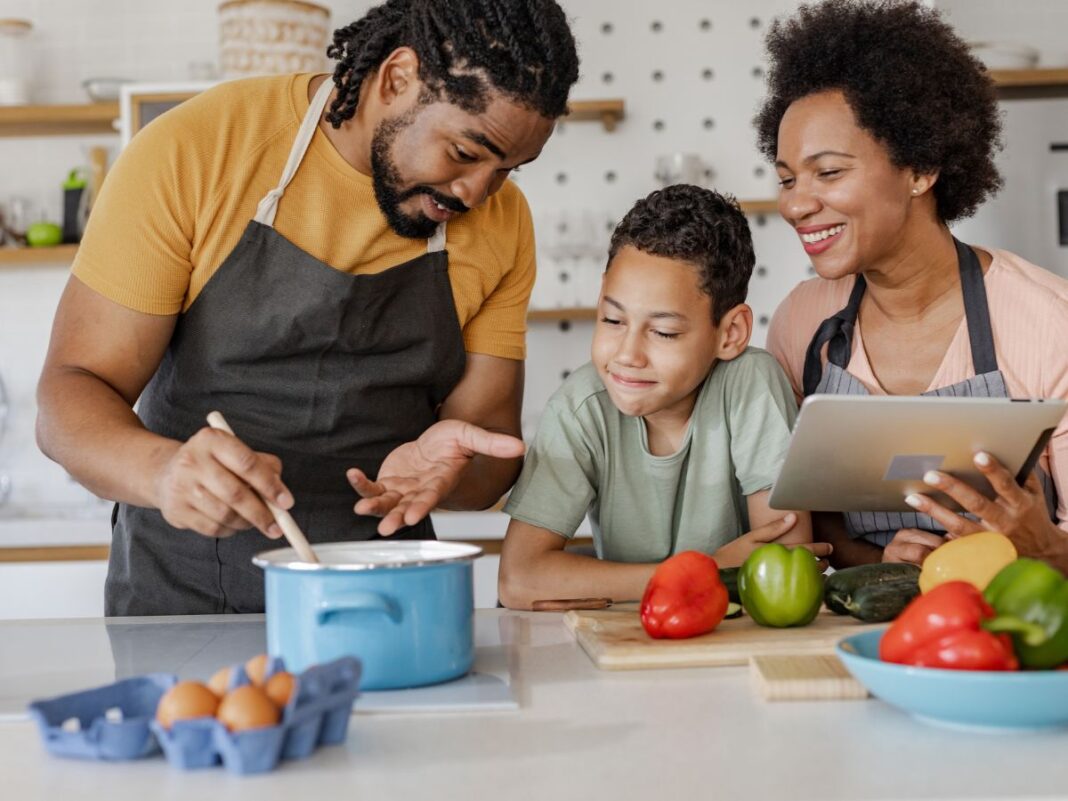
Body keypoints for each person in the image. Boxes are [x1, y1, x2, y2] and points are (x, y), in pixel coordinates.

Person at [34, 0, 580, 615]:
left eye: (508, 168)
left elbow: (488, 454)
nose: (478, 192)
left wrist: (456, 472)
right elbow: (70, 392)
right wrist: (162, 472)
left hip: (385, 603)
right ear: (396, 77)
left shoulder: (502, 226)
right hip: (186, 599)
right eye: (464, 152)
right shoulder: (198, 149)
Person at [758, 0, 1068, 572]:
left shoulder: (1050, 325)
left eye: (828, 172)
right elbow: (808, 521)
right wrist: (877, 562)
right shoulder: (802, 324)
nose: (796, 204)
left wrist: (1044, 547)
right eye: (786, 178)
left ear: (921, 168)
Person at [498, 186, 824, 610]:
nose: (627, 355)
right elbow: (519, 579)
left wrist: (604, 582)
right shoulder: (582, 405)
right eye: (613, 319)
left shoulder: (750, 382)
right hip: (631, 639)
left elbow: (786, 570)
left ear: (731, 334)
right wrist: (709, 568)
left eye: (664, 332)